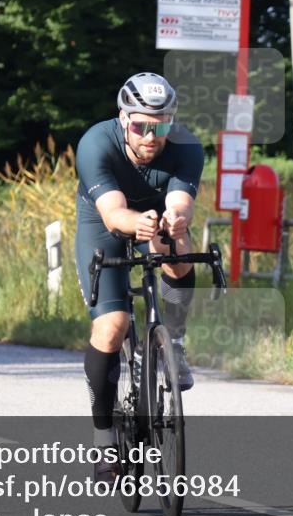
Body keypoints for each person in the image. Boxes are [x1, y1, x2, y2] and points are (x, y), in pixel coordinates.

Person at [74, 72, 204, 482]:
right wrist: (136, 223)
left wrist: (175, 221)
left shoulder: (186, 146)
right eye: (140, 126)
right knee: (113, 327)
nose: (151, 136)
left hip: (156, 218)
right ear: (123, 118)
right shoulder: (97, 142)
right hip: (105, 221)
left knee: (176, 252)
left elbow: (181, 203)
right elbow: (114, 214)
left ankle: (174, 344)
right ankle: (104, 439)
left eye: (161, 125)